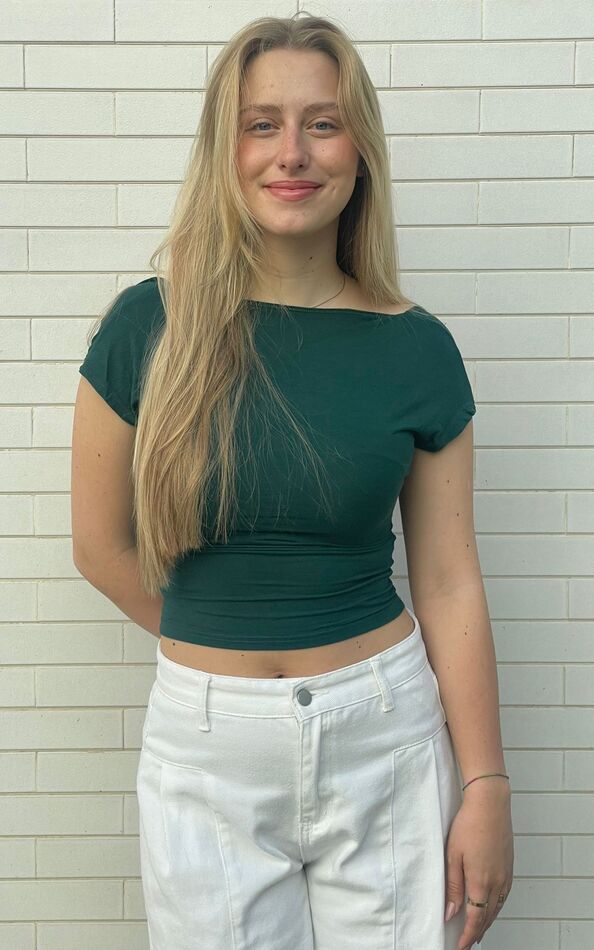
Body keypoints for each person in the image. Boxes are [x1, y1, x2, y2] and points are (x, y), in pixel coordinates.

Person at [71, 12, 513, 950]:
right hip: (205, 752)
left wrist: (486, 785)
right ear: (225, 150)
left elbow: (447, 581)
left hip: (384, 734)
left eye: (323, 123)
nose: (293, 153)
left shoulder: (416, 348)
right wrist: (224, 651)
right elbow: (100, 547)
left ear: (360, 150)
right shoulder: (146, 328)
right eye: (262, 124)